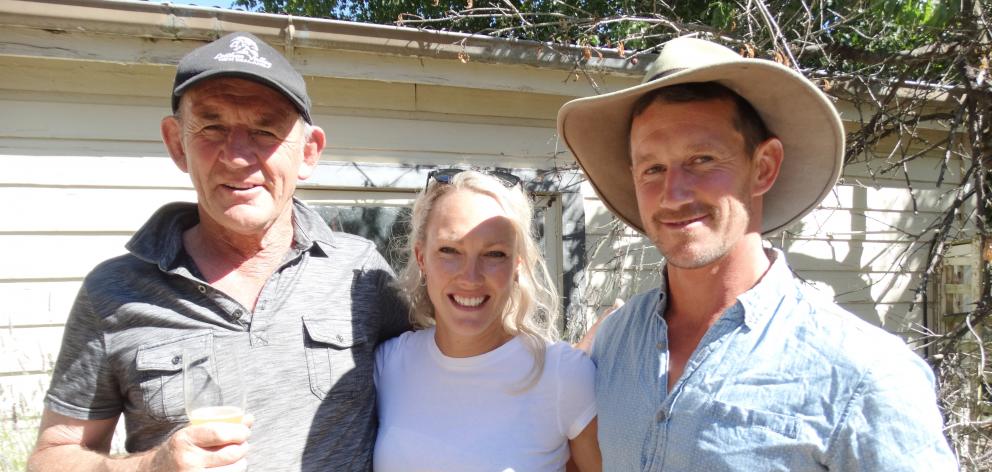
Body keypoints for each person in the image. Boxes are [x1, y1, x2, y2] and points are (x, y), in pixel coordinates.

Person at [556, 37, 957, 470]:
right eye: (653, 168)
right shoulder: (613, 345)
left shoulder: (863, 373)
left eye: (702, 159)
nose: (672, 194)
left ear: (763, 167)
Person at [28, 32, 408, 471]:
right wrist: (151, 467)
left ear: (308, 152)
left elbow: (448, 373)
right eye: (212, 127)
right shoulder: (113, 292)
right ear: (176, 143)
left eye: (266, 130)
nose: (237, 157)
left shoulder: (361, 273)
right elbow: (50, 459)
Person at [373, 169, 602, 471]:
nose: (470, 277)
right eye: (449, 250)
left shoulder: (564, 375)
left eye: (494, 254)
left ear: (517, 264)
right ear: (421, 258)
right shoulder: (387, 364)